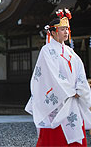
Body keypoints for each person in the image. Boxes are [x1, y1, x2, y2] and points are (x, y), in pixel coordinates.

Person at [25, 9, 91, 146]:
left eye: (67, 29)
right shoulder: (47, 51)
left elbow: (80, 73)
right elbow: (51, 75)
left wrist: (80, 90)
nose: (66, 32)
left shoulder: (71, 52)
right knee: (56, 138)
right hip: (59, 101)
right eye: (62, 29)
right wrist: (71, 91)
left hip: (73, 99)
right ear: (53, 32)